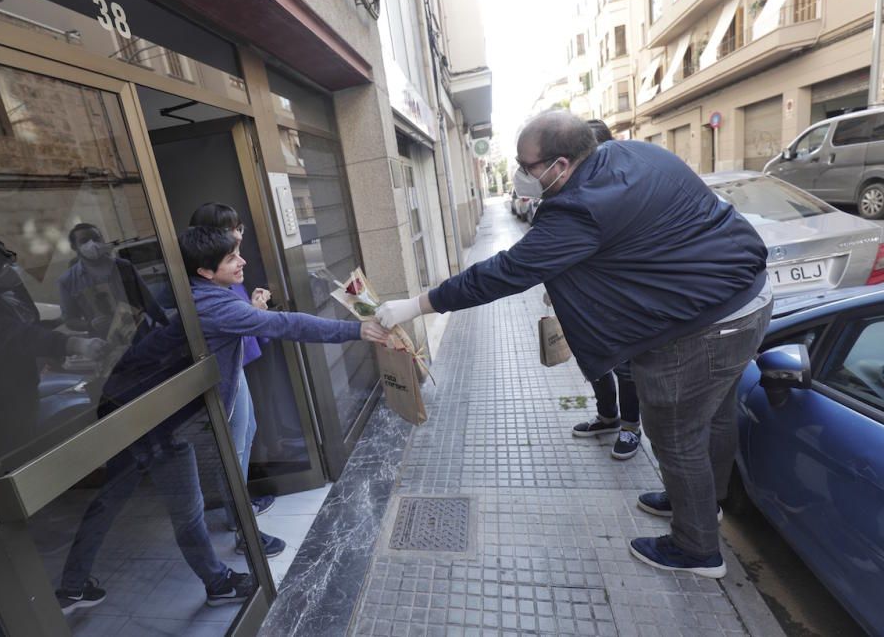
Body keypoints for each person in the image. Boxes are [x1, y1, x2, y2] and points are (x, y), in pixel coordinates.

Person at [376, 111, 772, 579]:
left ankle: (697, 547)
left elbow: (504, 272)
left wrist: (416, 305)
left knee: (675, 434)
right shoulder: (633, 153)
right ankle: (702, 503)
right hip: (749, 300)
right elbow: (640, 244)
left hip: (702, 328)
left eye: (526, 165)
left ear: (561, 164)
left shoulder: (578, 206)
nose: (521, 175)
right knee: (715, 417)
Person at [179, 225, 390, 557]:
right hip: (203, 402)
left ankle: (240, 518)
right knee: (232, 460)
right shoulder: (213, 304)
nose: (242, 261)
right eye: (231, 257)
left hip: (226, 384)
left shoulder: (209, 292)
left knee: (244, 439)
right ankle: (246, 535)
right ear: (204, 270)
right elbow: (290, 325)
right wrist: (358, 329)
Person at [55, 316, 255, 614]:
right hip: (156, 429)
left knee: (107, 503)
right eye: (231, 263)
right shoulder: (194, 324)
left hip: (130, 419)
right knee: (187, 512)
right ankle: (218, 583)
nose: (240, 265)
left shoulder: (165, 326)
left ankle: (72, 585)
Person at [0, 232, 105, 459]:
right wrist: (73, 345)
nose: (8, 268)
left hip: (22, 384)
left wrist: (60, 323)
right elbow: (12, 335)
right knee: (19, 452)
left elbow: (25, 323)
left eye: (7, 258)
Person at [188, 203, 276, 522]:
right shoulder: (212, 276)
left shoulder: (229, 266)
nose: (238, 234)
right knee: (235, 444)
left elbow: (244, 320)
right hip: (225, 370)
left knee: (246, 432)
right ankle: (240, 522)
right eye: (231, 228)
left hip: (236, 365)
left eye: (239, 227)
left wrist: (255, 310)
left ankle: (239, 511)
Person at [570, 119, 642, 460]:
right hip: (587, 301)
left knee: (626, 367)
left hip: (621, 299)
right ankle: (608, 416)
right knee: (596, 360)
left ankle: (630, 426)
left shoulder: (623, 188)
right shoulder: (574, 191)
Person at [58, 223, 169, 343]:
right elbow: (70, 320)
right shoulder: (68, 280)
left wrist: (168, 326)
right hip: (106, 344)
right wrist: (90, 325)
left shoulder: (124, 266)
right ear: (75, 247)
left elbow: (148, 301)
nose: (92, 244)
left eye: (96, 238)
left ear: (102, 240)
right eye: (84, 241)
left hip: (140, 336)